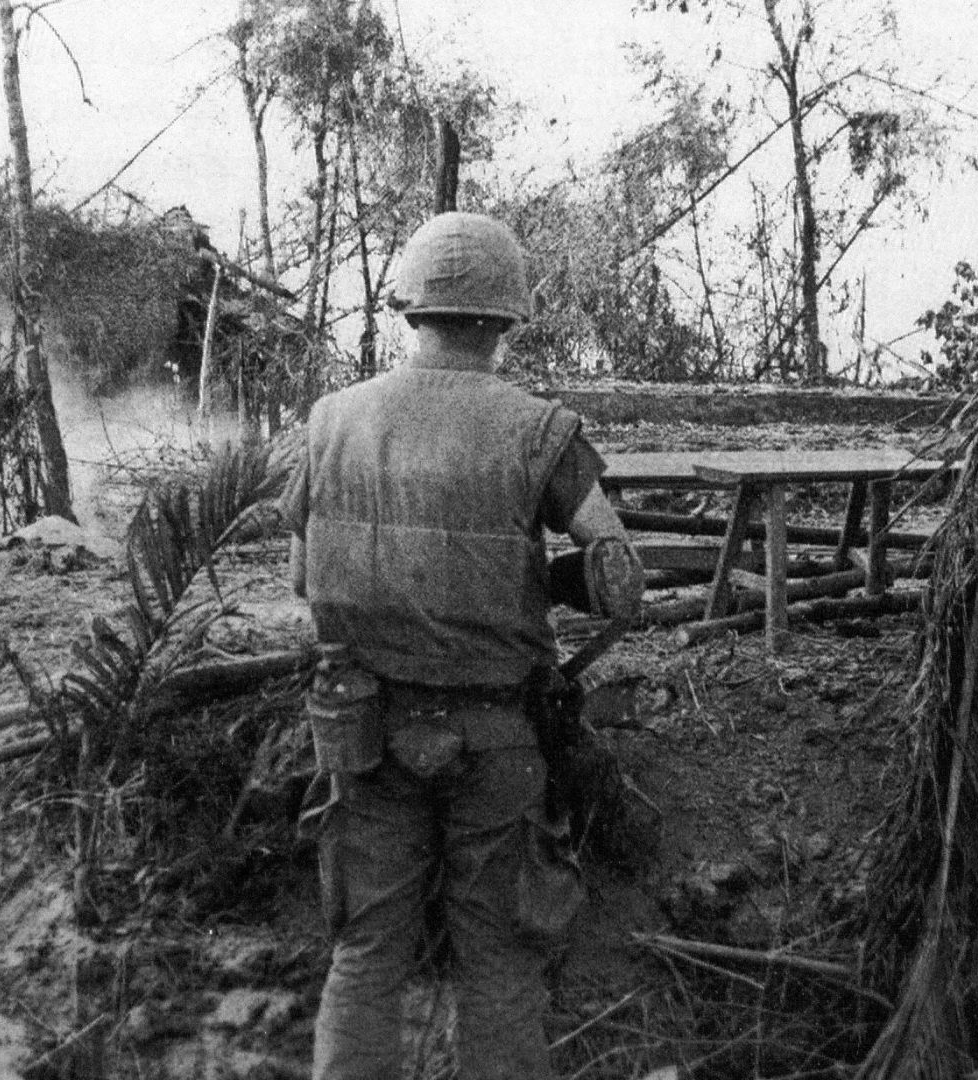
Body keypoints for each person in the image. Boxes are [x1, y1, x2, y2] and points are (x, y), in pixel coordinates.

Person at [286, 211, 643, 1080]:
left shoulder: (331, 420)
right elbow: (618, 579)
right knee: (500, 966)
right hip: (496, 741)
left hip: (364, 733)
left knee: (365, 956)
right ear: (507, 318)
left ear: (411, 310)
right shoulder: (540, 429)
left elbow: (302, 577)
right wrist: (543, 580)